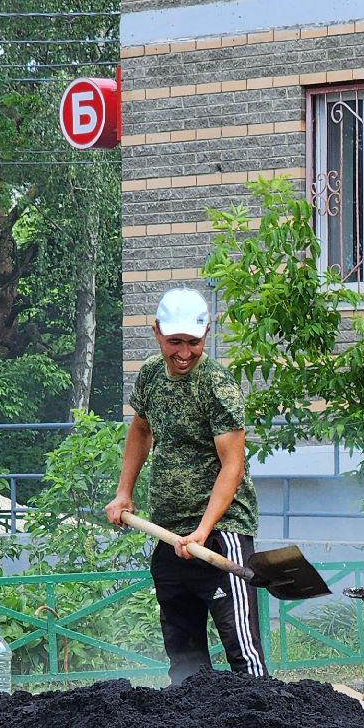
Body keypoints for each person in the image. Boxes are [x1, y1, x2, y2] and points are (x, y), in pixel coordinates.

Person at [105, 287, 269, 684]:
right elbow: (141, 430)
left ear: (206, 334)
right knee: (182, 650)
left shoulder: (217, 386)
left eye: (193, 343)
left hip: (222, 531)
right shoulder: (149, 376)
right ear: (156, 331)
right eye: (174, 342)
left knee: (241, 647)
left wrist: (204, 529)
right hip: (169, 530)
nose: (183, 353)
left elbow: (232, 466)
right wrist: (124, 491)